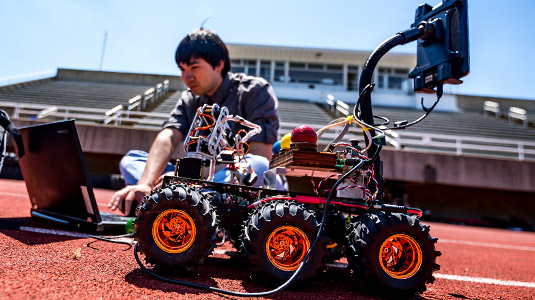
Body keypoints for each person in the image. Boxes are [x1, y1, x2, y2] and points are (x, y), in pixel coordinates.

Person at [109, 29, 279, 216]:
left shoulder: (253, 90)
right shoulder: (189, 99)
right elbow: (168, 136)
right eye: (182, 69)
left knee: (260, 168)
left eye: (194, 67)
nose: (186, 77)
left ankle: (177, 199)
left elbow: (258, 156)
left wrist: (185, 178)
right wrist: (145, 183)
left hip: (234, 179)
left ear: (219, 64)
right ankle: (179, 199)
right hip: (198, 181)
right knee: (131, 160)